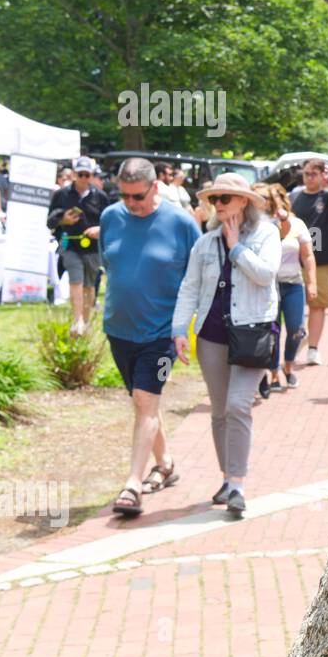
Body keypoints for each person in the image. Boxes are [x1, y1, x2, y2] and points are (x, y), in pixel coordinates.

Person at [171, 173, 281, 519]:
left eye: (225, 199)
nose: (218, 205)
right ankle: (227, 478)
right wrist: (179, 329)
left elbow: (265, 275)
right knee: (219, 410)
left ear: (244, 201)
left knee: (238, 404)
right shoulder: (205, 242)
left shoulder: (266, 233)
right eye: (214, 199)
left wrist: (236, 248)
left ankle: (238, 483)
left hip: (252, 332)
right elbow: (189, 287)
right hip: (212, 334)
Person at [99, 157, 201, 518]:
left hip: (161, 334)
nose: (130, 203)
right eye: (124, 195)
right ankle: (166, 463)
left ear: (155, 186)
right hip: (119, 331)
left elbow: (197, 278)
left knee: (145, 402)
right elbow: (108, 264)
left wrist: (185, 328)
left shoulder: (181, 224)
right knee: (144, 405)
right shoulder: (111, 217)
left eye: (137, 196)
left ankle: (132, 484)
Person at [257, 181, 315, 391]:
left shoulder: (296, 224)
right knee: (272, 332)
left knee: (296, 330)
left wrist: (312, 282)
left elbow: (307, 255)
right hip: (268, 286)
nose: (272, 203)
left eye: (275, 198)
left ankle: (288, 367)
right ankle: (272, 373)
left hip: (293, 284)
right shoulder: (259, 225)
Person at [290, 159, 328, 365]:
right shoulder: (295, 196)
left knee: (317, 305)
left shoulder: (327, 196)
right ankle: (293, 343)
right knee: (294, 305)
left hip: (323, 259)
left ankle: (313, 348)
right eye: (306, 173)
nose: (309, 178)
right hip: (295, 260)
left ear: (322, 175)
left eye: (314, 174)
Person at [46, 156, 110, 334]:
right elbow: (50, 221)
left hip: (92, 248)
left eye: (87, 175)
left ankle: (86, 321)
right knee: (76, 280)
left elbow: (109, 221)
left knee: (89, 285)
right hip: (70, 246)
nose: (83, 178)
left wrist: (98, 229)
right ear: (74, 175)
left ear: (91, 176)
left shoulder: (101, 197)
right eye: (80, 174)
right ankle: (78, 320)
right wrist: (62, 220)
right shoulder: (62, 194)